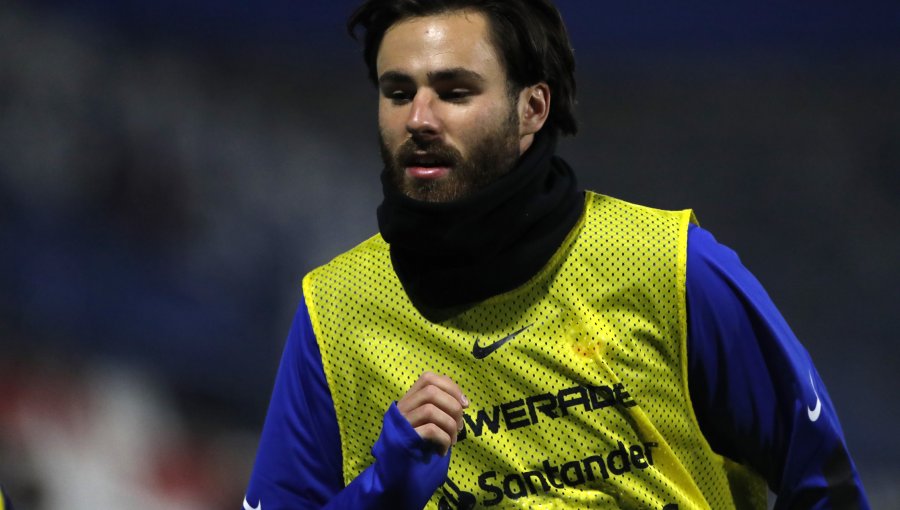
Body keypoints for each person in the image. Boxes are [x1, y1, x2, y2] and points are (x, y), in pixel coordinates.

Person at [244, 1, 869, 508]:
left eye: (455, 91)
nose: (420, 118)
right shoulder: (335, 311)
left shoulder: (666, 264)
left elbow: (826, 484)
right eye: (398, 91)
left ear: (532, 109)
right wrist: (385, 492)